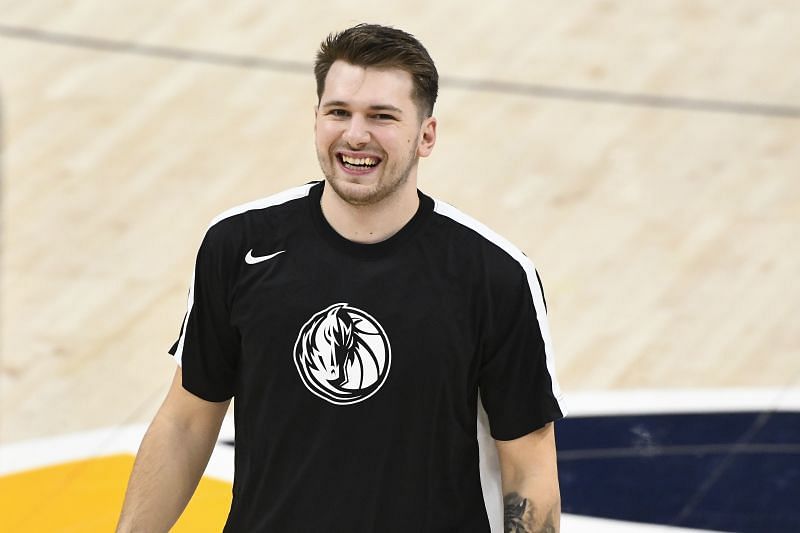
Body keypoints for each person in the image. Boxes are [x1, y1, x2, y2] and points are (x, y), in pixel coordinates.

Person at [117, 23, 566, 533]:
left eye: (382, 116)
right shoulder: (238, 246)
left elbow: (529, 468)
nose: (356, 135)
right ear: (316, 121)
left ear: (426, 135)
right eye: (339, 113)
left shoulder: (494, 276)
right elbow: (186, 422)